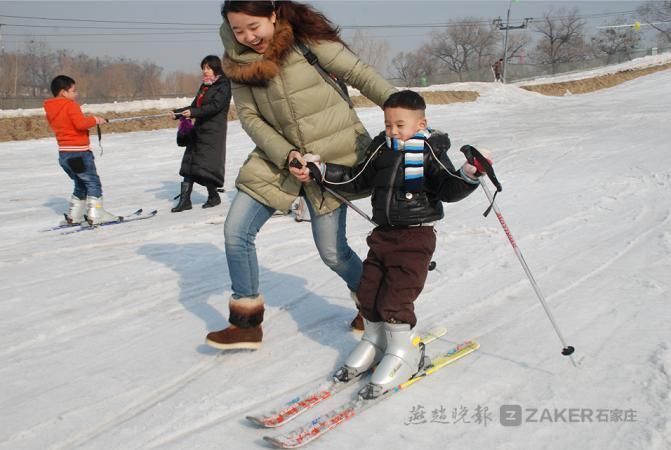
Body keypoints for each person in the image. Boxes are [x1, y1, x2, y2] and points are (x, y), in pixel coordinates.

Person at [205, 0, 397, 350]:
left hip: (330, 156)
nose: (248, 37)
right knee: (236, 232)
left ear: (273, 15)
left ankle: (372, 305)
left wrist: (404, 110)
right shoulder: (235, 63)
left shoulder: (305, 39)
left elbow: (360, 74)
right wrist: (287, 153)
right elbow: (250, 117)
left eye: (254, 26)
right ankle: (246, 322)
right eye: (238, 30)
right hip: (276, 157)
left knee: (332, 252)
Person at [307, 90, 487, 398]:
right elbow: (358, 180)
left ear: (420, 123)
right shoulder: (382, 148)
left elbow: (447, 187)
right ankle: (375, 342)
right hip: (383, 234)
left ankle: (406, 353)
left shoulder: (429, 150)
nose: (392, 130)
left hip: (415, 237)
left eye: (399, 125)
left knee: (395, 299)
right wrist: (322, 171)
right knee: (368, 293)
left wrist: (469, 175)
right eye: (388, 123)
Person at [44, 75, 119, 225]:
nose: (76, 94)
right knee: (93, 183)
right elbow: (79, 124)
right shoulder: (70, 105)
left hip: (64, 154)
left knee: (80, 183)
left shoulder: (51, 108)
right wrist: (95, 120)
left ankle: (74, 214)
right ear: (63, 92)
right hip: (79, 152)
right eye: (73, 90)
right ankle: (96, 213)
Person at [171, 55, 232, 212]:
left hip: (213, 131)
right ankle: (186, 200)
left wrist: (193, 112)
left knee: (205, 166)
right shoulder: (205, 86)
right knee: (191, 163)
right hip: (199, 129)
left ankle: (213, 196)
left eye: (208, 68)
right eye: (203, 68)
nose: (205, 71)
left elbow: (215, 106)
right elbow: (194, 106)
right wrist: (178, 113)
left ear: (216, 68)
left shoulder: (223, 85)